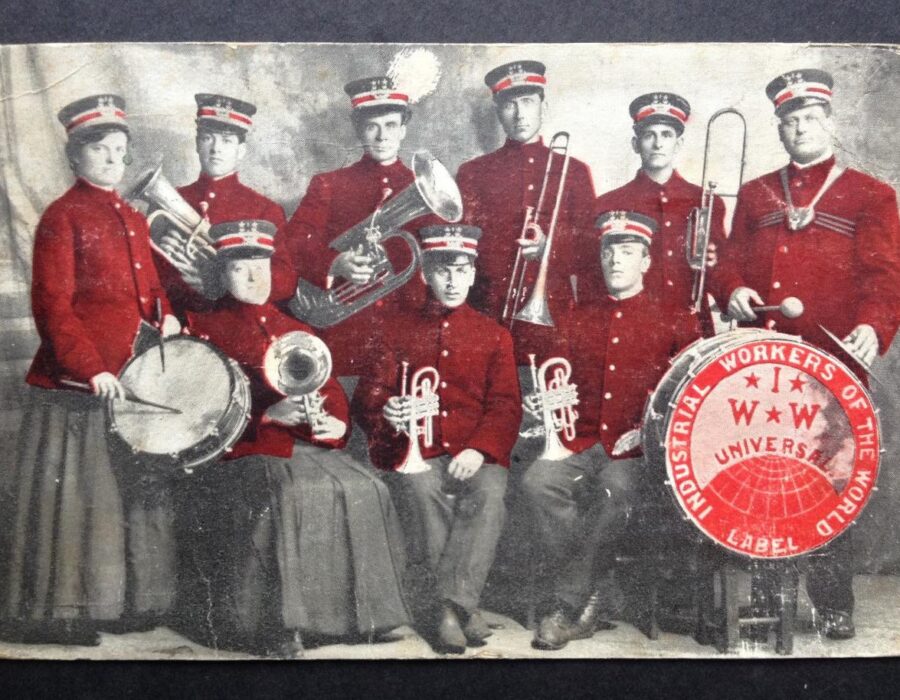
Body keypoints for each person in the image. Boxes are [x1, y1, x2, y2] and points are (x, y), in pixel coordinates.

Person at [712, 68, 900, 640]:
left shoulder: (871, 194)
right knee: (767, 472)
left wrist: (874, 325)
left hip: (833, 361)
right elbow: (726, 259)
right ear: (779, 129)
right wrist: (734, 288)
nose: (800, 129)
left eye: (810, 119)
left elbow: (886, 276)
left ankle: (831, 599)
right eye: (789, 122)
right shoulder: (756, 193)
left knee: (830, 480)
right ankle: (768, 596)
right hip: (765, 362)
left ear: (831, 123)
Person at [178, 220, 409, 657]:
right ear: (221, 274)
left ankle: (361, 617)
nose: (254, 277)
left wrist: (335, 424)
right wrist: (268, 416)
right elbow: (197, 413)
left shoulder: (291, 324)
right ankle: (278, 625)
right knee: (285, 491)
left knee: (369, 486)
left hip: (304, 445)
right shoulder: (200, 327)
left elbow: (330, 390)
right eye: (240, 267)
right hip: (242, 448)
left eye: (261, 265)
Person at [0, 95, 180, 645]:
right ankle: (64, 611)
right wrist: (91, 368)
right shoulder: (62, 216)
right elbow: (53, 306)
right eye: (98, 150)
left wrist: (167, 318)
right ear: (74, 156)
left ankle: (124, 604)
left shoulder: (131, 215)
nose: (111, 160)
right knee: (80, 498)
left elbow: (150, 291)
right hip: (78, 384)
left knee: (124, 493)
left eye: (119, 151)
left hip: (133, 376)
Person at [521, 211, 699, 651]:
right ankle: (597, 592)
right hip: (582, 442)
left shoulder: (675, 318)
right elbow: (557, 380)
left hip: (641, 452)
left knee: (614, 490)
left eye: (626, 252)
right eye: (608, 251)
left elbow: (691, 399)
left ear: (645, 261)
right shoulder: (579, 316)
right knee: (537, 482)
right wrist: (541, 407)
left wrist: (645, 435)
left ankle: (569, 605)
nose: (615, 260)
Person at [355, 224, 522, 653]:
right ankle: (462, 608)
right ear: (426, 274)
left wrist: (478, 449)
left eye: (461, 270)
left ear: (472, 274)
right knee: (420, 489)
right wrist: (387, 409)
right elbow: (368, 398)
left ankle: (448, 609)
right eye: (442, 270)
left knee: (488, 496)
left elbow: (505, 406)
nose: (452, 280)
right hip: (418, 450)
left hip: (475, 451)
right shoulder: (394, 328)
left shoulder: (494, 334)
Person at [270, 76, 430, 377]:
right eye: (373, 126)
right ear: (358, 129)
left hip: (407, 333)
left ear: (404, 130)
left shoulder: (421, 187)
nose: (382, 136)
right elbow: (292, 243)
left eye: (391, 125)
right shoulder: (329, 184)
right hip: (347, 334)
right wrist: (335, 262)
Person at [455, 60, 597, 363]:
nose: (520, 114)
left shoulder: (574, 171)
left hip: (553, 316)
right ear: (497, 111)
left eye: (528, 102)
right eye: (510, 104)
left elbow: (590, 248)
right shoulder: (472, 173)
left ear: (543, 107)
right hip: (488, 311)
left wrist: (550, 247)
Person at [593, 92, 726, 329]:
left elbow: (719, 268)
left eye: (666, 134)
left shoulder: (706, 201)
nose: (658, 143)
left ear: (679, 143)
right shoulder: (606, 205)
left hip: (692, 325)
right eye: (648, 135)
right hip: (630, 329)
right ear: (636, 144)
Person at [155, 93, 287, 319]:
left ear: (241, 150)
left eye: (226, 141)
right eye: (208, 138)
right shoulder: (170, 199)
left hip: (237, 325)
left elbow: (286, 279)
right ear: (197, 144)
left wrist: (221, 283)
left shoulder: (266, 210)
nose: (216, 149)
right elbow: (151, 275)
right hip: (177, 324)